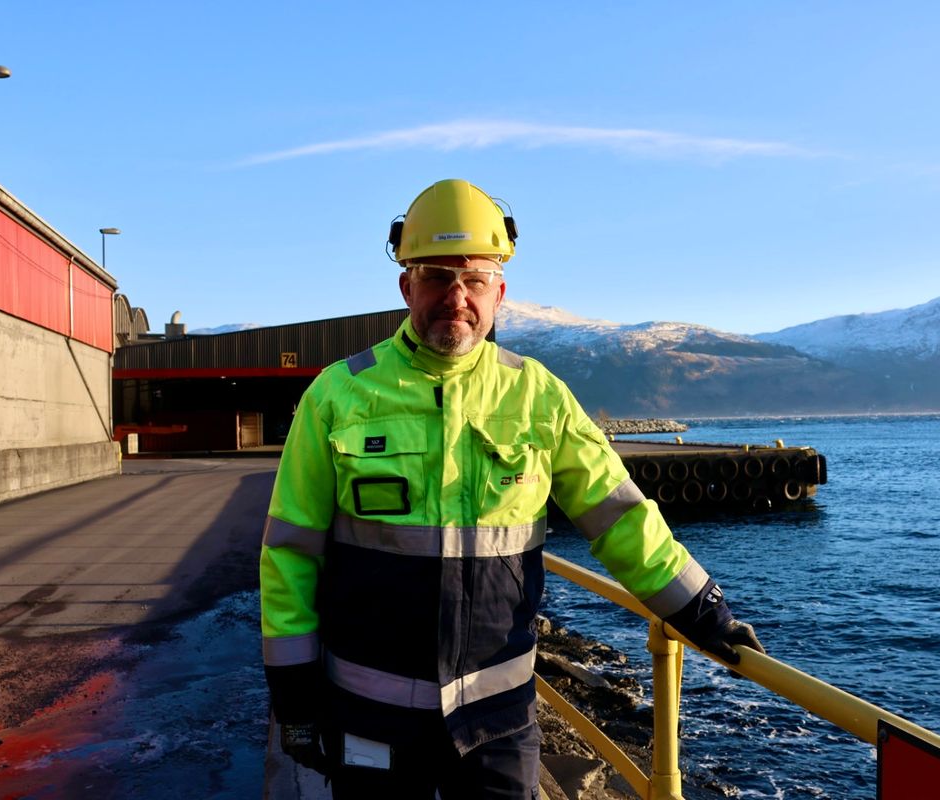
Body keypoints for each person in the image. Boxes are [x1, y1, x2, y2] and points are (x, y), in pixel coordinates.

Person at [259, 178, 766, 798]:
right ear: (406, 286)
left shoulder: (537, 395)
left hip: (496, 718)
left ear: (499, 293)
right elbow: (290, 553)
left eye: (474, 280)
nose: (456, 297)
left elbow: (616, 513)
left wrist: (700, 609)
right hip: (369, 711)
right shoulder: (337, 395)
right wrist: (294, 695)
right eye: (437, 277)